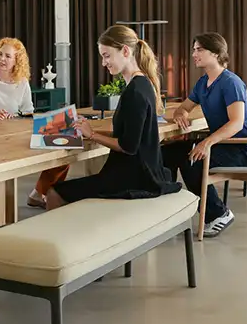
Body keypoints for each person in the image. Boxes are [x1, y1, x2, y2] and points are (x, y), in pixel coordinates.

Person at [45, 25, 180, 209]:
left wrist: (92, 135)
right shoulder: (142, 84)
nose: (103, 62)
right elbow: (128, 135)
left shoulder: (134, 92)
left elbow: (128, 147)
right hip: (142, 174)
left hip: (133, 179)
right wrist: (90, 130)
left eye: (106, 56)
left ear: (125, 51)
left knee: (54, 193)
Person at [162, 33, 247, 239]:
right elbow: (184, 107)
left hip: (240, 148)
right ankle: (166, 212)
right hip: (220, 144)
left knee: (191, 160)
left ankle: (219, 214)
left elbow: (236, 123)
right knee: (165, 153)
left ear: (215, 53)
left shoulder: (231, 83)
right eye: (194, 49)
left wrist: (206, 142)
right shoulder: (203, 82)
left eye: (199, 50)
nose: (193, 54)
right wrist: (181, 114)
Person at [0, 37, 69, 209]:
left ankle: (38, 193)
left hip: (17, 131)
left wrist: (26, 116)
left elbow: (28, 109)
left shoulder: (22, 81)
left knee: (63, 150)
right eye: (0, 54)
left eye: (8, 56)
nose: (2, 59)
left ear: (16, 60)